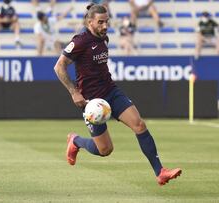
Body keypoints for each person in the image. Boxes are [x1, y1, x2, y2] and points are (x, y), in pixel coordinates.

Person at [53, 4, 182, 186]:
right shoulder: (80, 41)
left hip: (111, 91)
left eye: (106, 21)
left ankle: (160, 172)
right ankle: (76, 141)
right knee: (105, 150)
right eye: (100, 22)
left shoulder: (103, 37)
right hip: (93, 102)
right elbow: (59, 66)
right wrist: (74, 92)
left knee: (139, 124)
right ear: (89, 22)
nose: (105, 26)